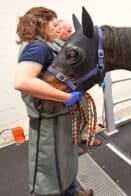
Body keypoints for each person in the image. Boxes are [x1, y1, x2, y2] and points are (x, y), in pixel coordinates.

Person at [14, 7, 93, 196]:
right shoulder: (36, 47)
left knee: (65, 160)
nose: (56, 29)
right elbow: (22, 81)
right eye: (53, 24)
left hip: (58, 116)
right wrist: (66, 97)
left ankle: (71, 191)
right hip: (50, 119)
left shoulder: (43, 45)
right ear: (41, 24)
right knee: (51, 169)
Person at [53, 19, 102, 155]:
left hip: (78, 86)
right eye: (68, 31)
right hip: (66, 88)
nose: (71, 34)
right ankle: (72, 145)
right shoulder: (54, 47)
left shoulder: (70, 44)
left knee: (87, 111)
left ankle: (87, 135)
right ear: (58, 31)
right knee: (71, 118)